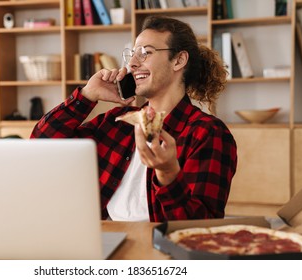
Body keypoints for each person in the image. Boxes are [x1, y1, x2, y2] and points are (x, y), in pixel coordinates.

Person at [30, 15, 237, 222]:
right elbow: (42, 145)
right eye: (132, 54)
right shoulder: (117, 122)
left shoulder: (208, 133)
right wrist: (86, 95)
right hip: (105, 238)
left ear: (179, 60)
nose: (132, 64)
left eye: (145, 53)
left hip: (159, 246)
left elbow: (199, 229)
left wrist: (168, 175)